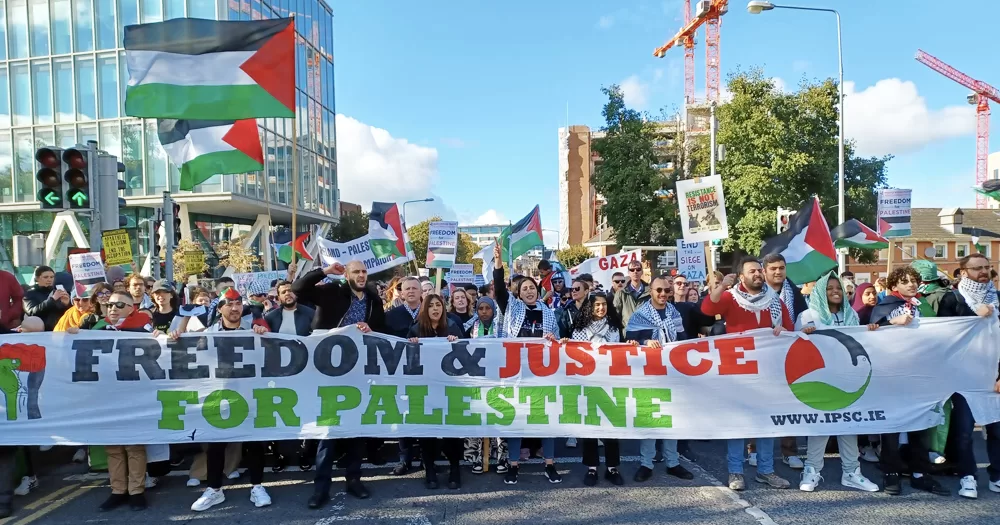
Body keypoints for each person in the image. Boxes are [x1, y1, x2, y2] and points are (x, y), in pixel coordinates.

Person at [294, 261, 383, 507]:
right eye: (356, 271)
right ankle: (321, 488)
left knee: (355, 430)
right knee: (328, 432)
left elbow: (382, 330)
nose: (362, 275)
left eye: (364, 271)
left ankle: (354, 480)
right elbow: (298, 288)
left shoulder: (374, 300)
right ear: (347, 274)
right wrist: (324, 272)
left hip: (358, 373)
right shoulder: (331, 292)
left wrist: (370, 329)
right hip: (328, 373)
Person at [701, 257, 793, 491]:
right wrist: (721, 286)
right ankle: (736, 472)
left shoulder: (773, 300)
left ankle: (766, 471)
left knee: (766, 422)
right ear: (741, 276)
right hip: (738, 370)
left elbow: (790, 328)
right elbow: (707, 309)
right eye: (752, 271)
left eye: (759, 271)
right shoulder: (731, 297)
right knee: (738, 422)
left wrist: (782, 330)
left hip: (767, 371)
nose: (758, 274)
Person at [181, 288, 272, 512]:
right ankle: (214, 489)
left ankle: (257, 486)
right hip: (218, 395)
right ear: (220, 308)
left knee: (254, 442)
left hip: (249, 395)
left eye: (238, 303)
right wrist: (176, 334)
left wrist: (263, 334)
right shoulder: (208, 333)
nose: (234, 308)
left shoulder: (254, 330)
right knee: (215, 445)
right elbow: (186, 351)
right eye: (229, 304)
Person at [868, 266, 949, 497]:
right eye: (905, 281)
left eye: (914, 280)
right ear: (894, 286)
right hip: (892, 375)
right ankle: (891, 473)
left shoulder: (921, 306)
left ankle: (920, 473)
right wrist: (890, 324)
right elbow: (870, 335)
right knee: (892, 426)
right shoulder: (885, 306)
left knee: (920, 425)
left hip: (919, 374)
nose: (912, 284)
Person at [797, 272, 880, 493]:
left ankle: (852, 472)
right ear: (820, 292)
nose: (835, 291)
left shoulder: (851, 314)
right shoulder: (808, 315)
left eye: (838, 288)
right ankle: (812, 470)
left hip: (848, 378)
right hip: (821, 380)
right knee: (821, 425)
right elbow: (793, 347)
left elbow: (860, 342)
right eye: (829, 288)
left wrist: (869, 331)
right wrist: (802, 334)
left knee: (848, 424)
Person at [69, 292, 152, 511]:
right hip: (106, 395)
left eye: (119, 304)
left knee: (134, 446)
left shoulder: (143, 326)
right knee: (113, 446)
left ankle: (136, 491)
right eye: (109, 304)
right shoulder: (96, 329)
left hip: (134, 394)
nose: (113, 308)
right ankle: (118, 490)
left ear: (131, 307)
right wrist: (72, 336)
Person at [492, 242, 562, 485]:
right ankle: (513, 465)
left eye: (533, 288)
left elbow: (558, 340)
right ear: (519, 294)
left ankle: (550, 464)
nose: (530, 292)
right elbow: (499, 289)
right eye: (525, 289)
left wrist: (555, 340)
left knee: (546, 419)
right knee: (516, 420)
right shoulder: (511, 308)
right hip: (516, 373)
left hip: (543, 374)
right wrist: (498, 263)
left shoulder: (548, 312)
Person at [936, 253, 1000, 499]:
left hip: (993, 376)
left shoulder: (998, 299)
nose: (983, 272)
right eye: (977, 268)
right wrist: (975, 316)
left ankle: (996, 475)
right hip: (963, 377)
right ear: (963, 272)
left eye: (986, 267)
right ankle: (967, 476)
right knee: (963, 431)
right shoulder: (952, 299)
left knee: (996, 431)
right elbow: (944, 337)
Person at [625, 275, 695, 483]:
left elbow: (682, 341)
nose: (663, 294)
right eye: (659, 290)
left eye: (667, 290)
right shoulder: (639, 315)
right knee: (650, 417)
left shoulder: (675, 313)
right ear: (651, 292)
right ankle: (646, 463)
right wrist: (646, 341)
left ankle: (672, 462)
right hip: (649, 374)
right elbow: (630, 341)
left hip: (672, 373)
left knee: (672, 418)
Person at [567, 292, 627, 486]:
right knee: (590, 428)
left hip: (610, 383)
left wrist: (630, 346)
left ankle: (612, 468)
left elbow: (620, 352)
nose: (601, 308)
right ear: (590, 307)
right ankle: (591, 468)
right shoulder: (579, 329)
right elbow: (575, 354)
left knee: (611, 428)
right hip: (588, 383)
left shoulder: (613, 328)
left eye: (603, 304)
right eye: (597, 305)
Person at [406, 294, 464, 489]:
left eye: (438, 305)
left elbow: (467, 354)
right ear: (425, 309)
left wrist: (456, 342)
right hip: (426, 389)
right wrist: (411, 345)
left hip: (450, 389)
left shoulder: (453, 326)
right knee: (427, 433)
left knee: (452, 433)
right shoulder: (415, 329)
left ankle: (455, 469)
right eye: (431, 306)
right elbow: (408, 361)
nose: (435, 309)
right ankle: (429, 470)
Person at [761, 254, 808, 470]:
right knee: (761, 402)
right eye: (773, 268)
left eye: (781, 268)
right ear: (764, 271)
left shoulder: (793, 292)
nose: (778, 272)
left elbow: (802, 317)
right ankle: (756, 449)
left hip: (788, 353)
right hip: (762, 355)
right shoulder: (755, 292)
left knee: (790, 401)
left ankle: (790, 451)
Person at [463, 296, 508, 474]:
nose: (484, 312)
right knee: (476, 418)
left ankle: (502, 457)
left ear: (493, 310)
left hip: (498, 379)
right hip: (475, 379)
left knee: (500, 416)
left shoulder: (502, 328)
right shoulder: (470, 328)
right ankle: (476, 458)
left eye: (487, 308)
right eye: (480, 308)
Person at [22, 266, 70, 331]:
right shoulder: (30, 294)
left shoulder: (58, 292)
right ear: (37, 278)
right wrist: (52, 300)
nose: (49, 280)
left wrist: (66, 304)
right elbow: (31, 312)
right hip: (40, 331)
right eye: (45, 277)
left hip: (60, 329)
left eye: (52, 277)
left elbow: (67, 314)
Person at [614, 260, 648, 326]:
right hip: (628, 333)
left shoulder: (650, 292)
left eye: (638, 269)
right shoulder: (621, 293)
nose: (635, 272)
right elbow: (616, 315)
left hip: (646, 333)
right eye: (632, 270)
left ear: (642, 272)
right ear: (628, 272)